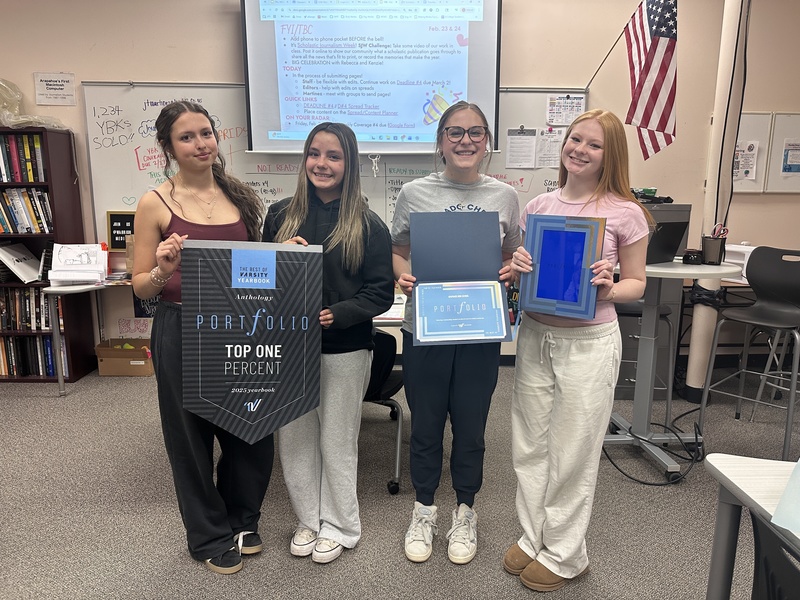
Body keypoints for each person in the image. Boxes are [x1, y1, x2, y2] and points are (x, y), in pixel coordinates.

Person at [502, 109, 654, 592]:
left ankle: (566, 553)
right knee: (530, 444)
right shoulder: (538, 206)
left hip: (588, 343)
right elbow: (525, 275)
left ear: (611, 155)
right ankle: (533, 537)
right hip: (535, 336)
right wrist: (518, 266)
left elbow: (637, 283)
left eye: (593, 144)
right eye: (574, 139)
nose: (579, 150)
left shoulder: (626, 212)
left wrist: (610, 287)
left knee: (573, 450)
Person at [132, 101, 273, 575]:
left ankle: (242, 518)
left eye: (206, 133)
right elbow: (140, 285)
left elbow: (251, 270)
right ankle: (209, 535)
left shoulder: (240, 196)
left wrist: (284, 257)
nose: (200, 144)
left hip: (240, 325)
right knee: (190, 437)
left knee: (251, 427)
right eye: (186, 137)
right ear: (168, 147)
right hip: (182, 325)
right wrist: (162, 269)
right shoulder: (155, 203)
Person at [391, 101, 521, 565]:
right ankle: (424, 508)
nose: (466, 140)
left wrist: (511, 270)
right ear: (441, 141)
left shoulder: (505, 196)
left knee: (471, 427)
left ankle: (466, 510)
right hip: (425, 328)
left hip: (479, 331)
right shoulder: (414, 193)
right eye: (455, 132)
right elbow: (398, 250)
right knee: (425, 425)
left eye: (476, 132)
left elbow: (511, 255)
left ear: (487, 142)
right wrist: (401, 275)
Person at [261, 122, 394, 564]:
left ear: (349, 163)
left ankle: (340, 525)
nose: (322, 163)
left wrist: (340, 313)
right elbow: (258, 281)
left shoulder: (368, 224)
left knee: (337, 440)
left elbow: (380, 292)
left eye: (334, 156)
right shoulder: (279, 216)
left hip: (345, 348)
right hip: (290, 346)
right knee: (294, 438)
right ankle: (308, 519)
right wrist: (280, 256)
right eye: (314, 153)